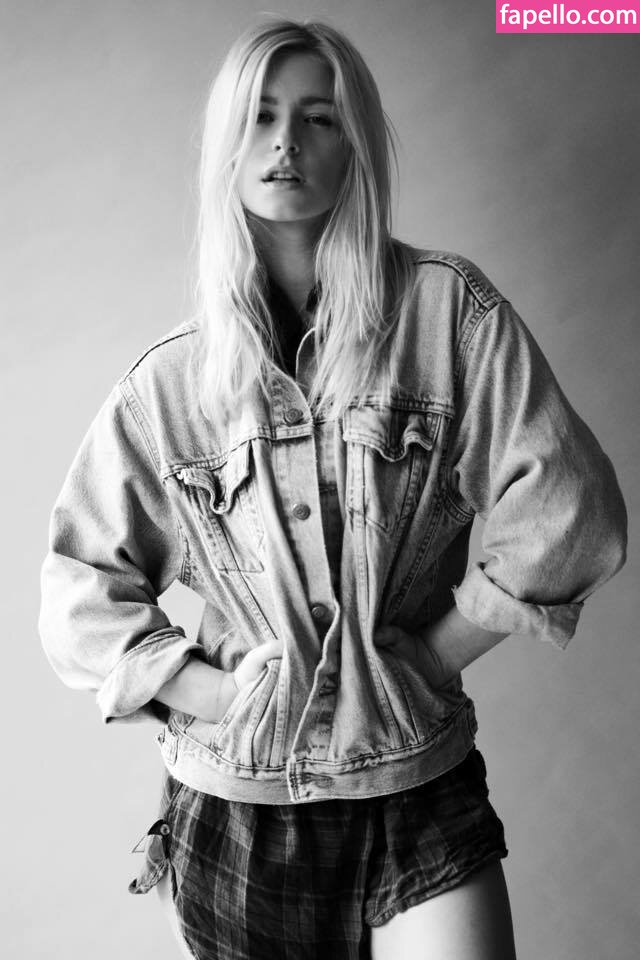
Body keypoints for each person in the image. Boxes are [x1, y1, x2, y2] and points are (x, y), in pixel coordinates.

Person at [39, 17, 627, 960]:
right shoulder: (171, 385)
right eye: (262, 117)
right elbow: (78, 592)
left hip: (416, 783)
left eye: (319, 117)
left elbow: (570, 507)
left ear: (355, 147)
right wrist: (207, 692)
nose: (286, 142)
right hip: (239, 809)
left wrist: (434, 654)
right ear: (227, 148)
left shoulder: (447, 314)